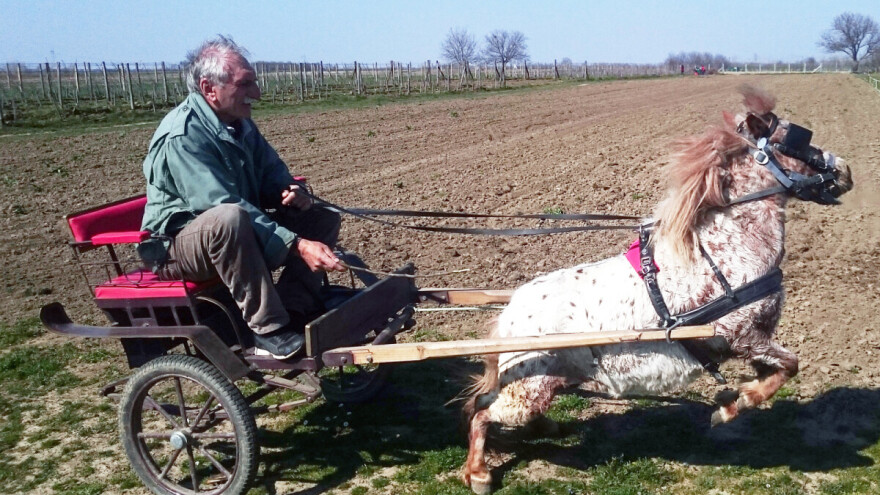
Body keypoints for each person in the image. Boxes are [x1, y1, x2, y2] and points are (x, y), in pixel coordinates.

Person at [138, 35, 345, 359]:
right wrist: (297, 244)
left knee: (322, 216)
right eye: (246, 84)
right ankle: (268, 330)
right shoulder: (183, 134)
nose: (257, 94)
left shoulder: (239, 123)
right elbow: (219, 204)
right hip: (177, 247)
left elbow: (271, 170)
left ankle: (296, 309)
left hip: (231, 230)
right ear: (209, 88)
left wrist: (290, 192)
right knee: (229, 218)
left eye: (255, 82)